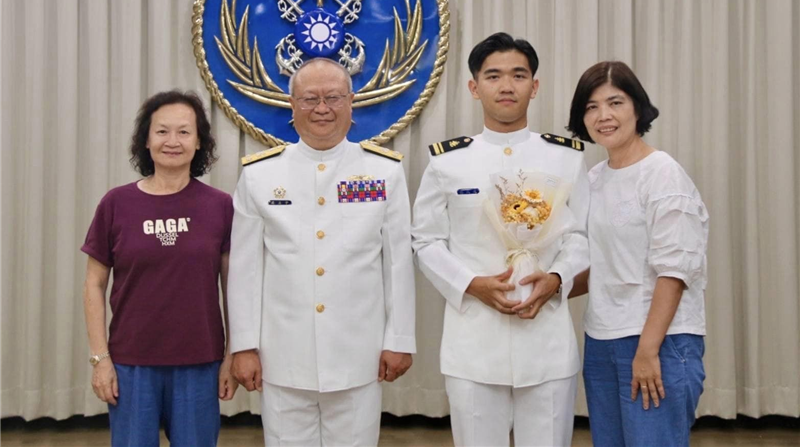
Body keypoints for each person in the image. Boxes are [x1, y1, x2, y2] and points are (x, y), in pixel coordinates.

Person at [411, 32, 590, 447]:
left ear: (535, 85)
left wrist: (558, 278)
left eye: (518, 75)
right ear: (474, 88)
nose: (506, 86)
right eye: (493, 76)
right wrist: (470, 284)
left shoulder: (566, 156)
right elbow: (426, 241)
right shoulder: (447, 161)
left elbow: (581, 235)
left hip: (545, 337)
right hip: (474, 340)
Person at [228, 57, 416, 446]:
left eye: (333, 97)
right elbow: (245, 270)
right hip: (282, 356)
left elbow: (397, 264)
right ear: (292, 105)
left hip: (357, 355)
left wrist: (399, 339)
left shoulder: (384, 173)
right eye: (310, 98)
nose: (322, 109)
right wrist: (244, 345)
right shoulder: (260, 175)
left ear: (351, 102)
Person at [82, 90, 238, 447]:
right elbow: (93, 284)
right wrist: (100, 358)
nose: (173, 141)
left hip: (200, 362)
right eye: (162, 131)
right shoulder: (116, 203)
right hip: (131, 363)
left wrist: (232, 354)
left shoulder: (220, 206)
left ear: (199, 142)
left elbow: (233, 286)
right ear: (146, 140)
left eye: (184, 132)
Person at [567, 61, 708, 447]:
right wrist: (549, 286)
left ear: (637, 108)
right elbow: (603, 266)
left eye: (615, 102)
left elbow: (675, 271)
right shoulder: (593, 179)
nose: (604, 116)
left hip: (660, 339)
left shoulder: (662, 173)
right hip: (601, 339)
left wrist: (648, 351)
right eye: (591, 107)